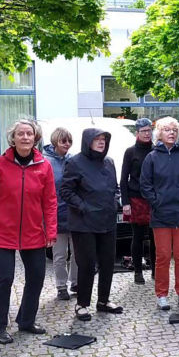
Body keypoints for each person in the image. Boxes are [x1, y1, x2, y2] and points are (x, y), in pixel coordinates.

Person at [0, 119, 57, 344]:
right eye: (20, 134)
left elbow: (50, 201)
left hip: (33, 232)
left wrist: (51, 230)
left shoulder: (44, 166)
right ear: (13, 138)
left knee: (37, 276)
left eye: (29, 134)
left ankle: (27, 320)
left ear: (35, 138)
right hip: (2, 232)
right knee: (5, 277)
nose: (25, 137)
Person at [60, 128, 123, 321]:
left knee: (107, 262)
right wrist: (83, 206)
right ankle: (82, 304)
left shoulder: (109, 162)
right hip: (83, 223)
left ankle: (103, 301)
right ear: (88, 141)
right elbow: (66, 190)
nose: (101, 142)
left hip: (107, 221)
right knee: (86, 265)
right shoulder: (75, 162)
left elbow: (114, 186)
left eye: (103, 139)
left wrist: (116, 200)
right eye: (97, 139)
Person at [140, 117, 179, 310]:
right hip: (161, 215)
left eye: (174, 129)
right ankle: (162, 295)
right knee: (163, 256)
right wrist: (156, 202)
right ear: (159, 133)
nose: (171, 133)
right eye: (167, 130)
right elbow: (145, 185)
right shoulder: (152, 157)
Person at [42, 127, 78, 300]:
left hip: (75, 213)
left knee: (78, 253)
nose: (67, 144)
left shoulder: (73, 160)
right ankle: (61, 286)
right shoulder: (45, 161)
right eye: (64, 141)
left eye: (69, 141)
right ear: (56, 141)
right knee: (60, 255)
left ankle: (76, 282)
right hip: (56, 214)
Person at [120, 118, 156, 285]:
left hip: (154, 199)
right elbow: (123, 179)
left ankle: (156, 270)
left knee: (155, 236)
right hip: (136, 198)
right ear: (137, 133)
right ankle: (137, 271)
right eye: (144, 131)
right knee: (138, 236)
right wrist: (125, 202)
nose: (147, 134)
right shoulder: (130, 152)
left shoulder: (157, 150)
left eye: (149, 130)